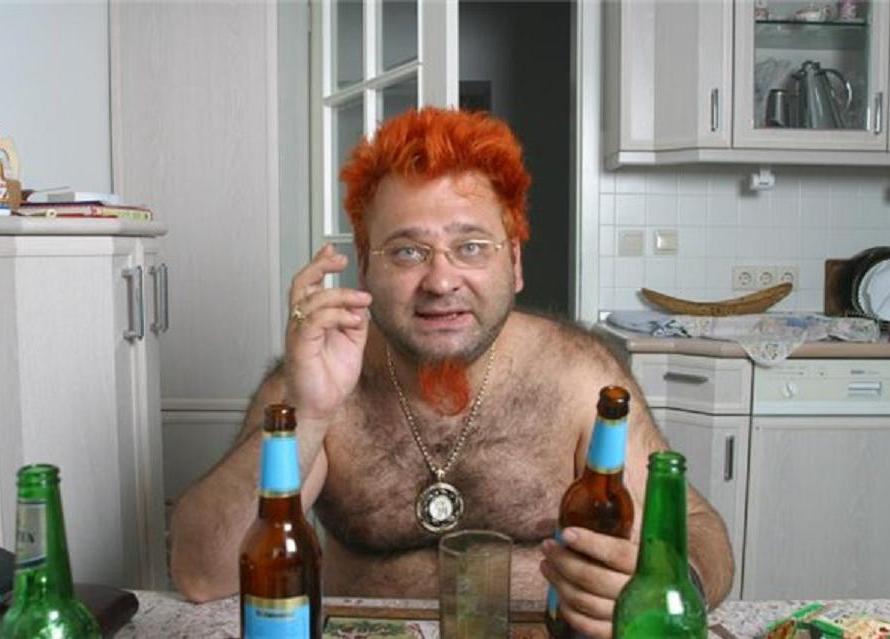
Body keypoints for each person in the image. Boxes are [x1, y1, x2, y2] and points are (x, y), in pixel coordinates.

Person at [169, 107, 733, 638]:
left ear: (514, 263)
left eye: (471, 247)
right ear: (364, 267)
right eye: (407, 252)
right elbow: (201, 574)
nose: (441, 282)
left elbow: (700, 529)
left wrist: (668, 584)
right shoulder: (316, 376)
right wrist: (308, 410)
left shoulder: (578, 376)